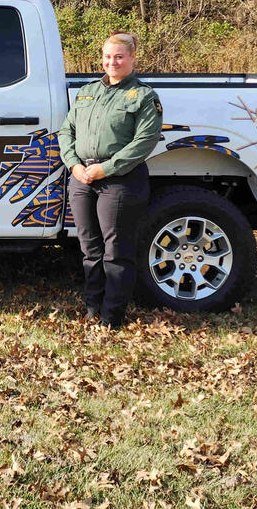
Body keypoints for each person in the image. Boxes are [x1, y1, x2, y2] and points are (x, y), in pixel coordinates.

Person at [57, 31, 162, 329]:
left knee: (116, 252)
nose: (111, 62)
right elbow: (67, 132)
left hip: (120, 180)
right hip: (82, 178)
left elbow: (144, 141)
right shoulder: (88, 92)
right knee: (89, 248)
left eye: (119, 56)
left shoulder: (143, 96)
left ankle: (112, 316)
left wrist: (107, 168)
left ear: (132, 59)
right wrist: (74, 165)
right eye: (107, 56)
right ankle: (93, 308)